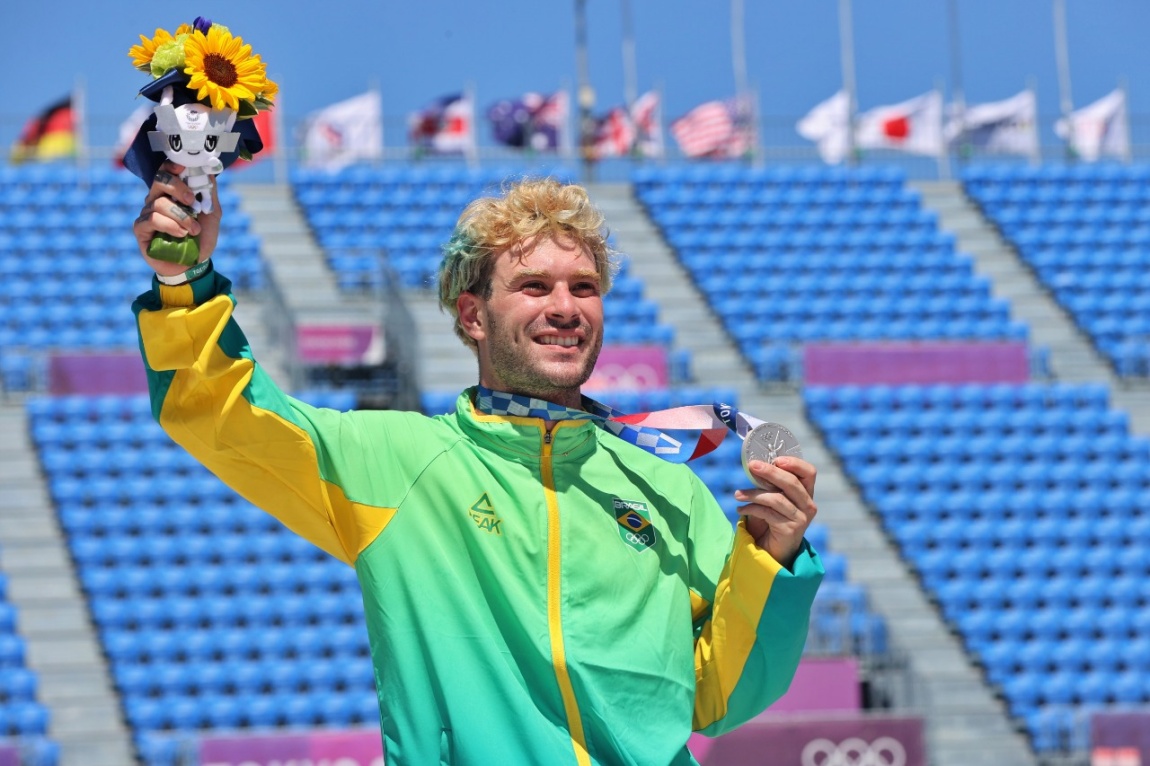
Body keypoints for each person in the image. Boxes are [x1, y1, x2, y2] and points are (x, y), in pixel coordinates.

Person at [132, 165, 824, 765]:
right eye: (534, 286)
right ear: (473, 316)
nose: (565, 308)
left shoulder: (668, 488)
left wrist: (773, 558)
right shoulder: (400, 463)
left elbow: (717, 700)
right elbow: (221, 413)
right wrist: (183, 280)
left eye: (584, 287)